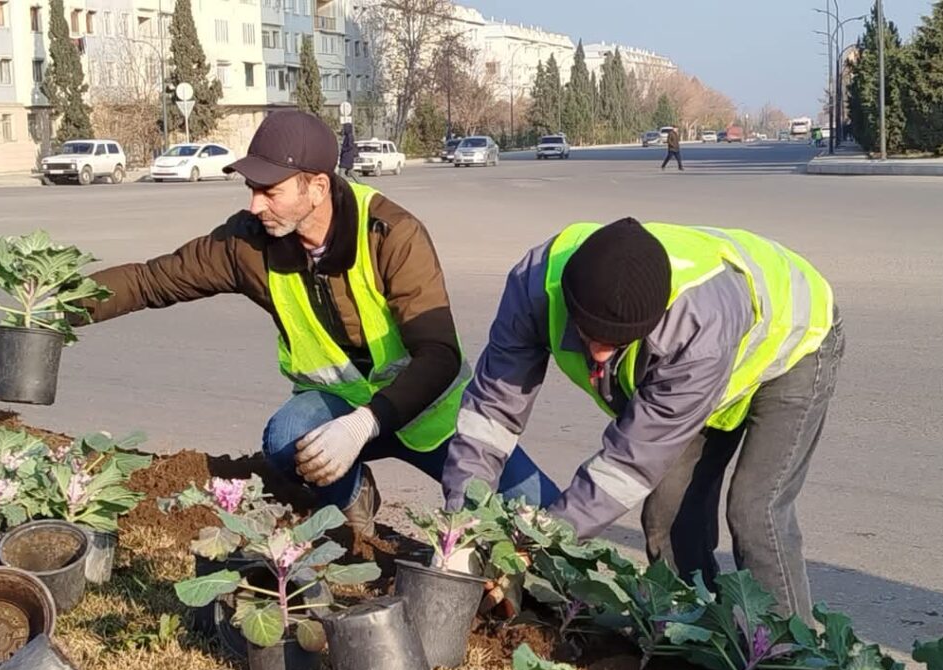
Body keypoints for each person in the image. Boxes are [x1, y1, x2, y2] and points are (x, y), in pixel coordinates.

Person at [75, 111, 552, 545]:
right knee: (287, 437)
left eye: (270, 191)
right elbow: (153, 280)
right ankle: (355, 501)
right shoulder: (249, 243)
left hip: (433, 418)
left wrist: (363, 424)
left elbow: (439, 356)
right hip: (335, 413)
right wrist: (60, 304)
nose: (256, 205)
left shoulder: (391, 234)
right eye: (252, 189)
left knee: (544, 519)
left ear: (317, 188)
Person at [442, 217, 843, 622]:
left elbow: (629, 463)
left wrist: (535, 543)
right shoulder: (535, 285)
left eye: (616, 343)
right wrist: (463, 525)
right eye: (589, 334)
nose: (599, 355)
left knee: (754, 511)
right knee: (667, 514)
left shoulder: (696, 333)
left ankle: (786, 650)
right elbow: (491, 411)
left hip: (794, 343)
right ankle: (699, 633)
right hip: (705, 364)